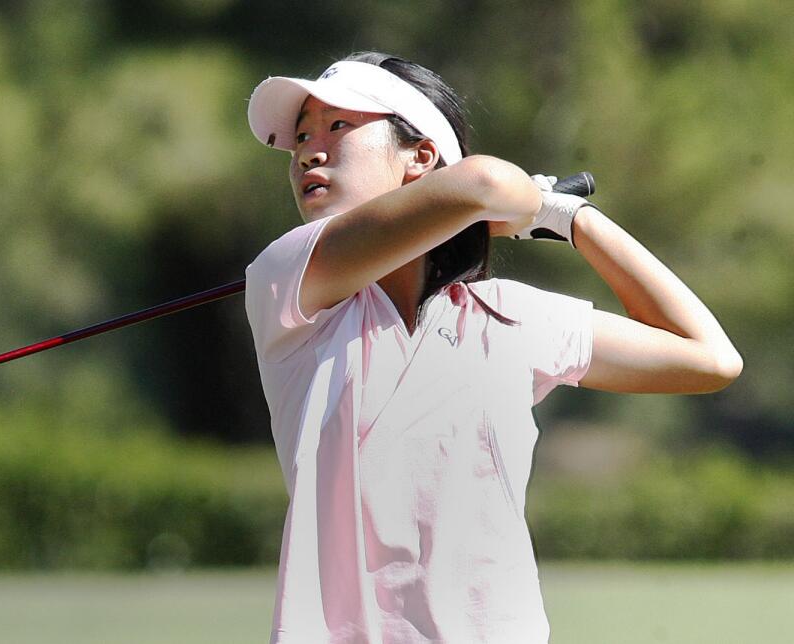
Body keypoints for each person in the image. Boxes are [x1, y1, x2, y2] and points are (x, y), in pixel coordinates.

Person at [243, 51, 742, 643]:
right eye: (300, 136)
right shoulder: (288, 283)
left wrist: (568, 216)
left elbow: (709, 358)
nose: (309, 151)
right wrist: (507, 203)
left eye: (338, 127)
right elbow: (488, 182)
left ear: (422, 156)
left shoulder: (505, 315)